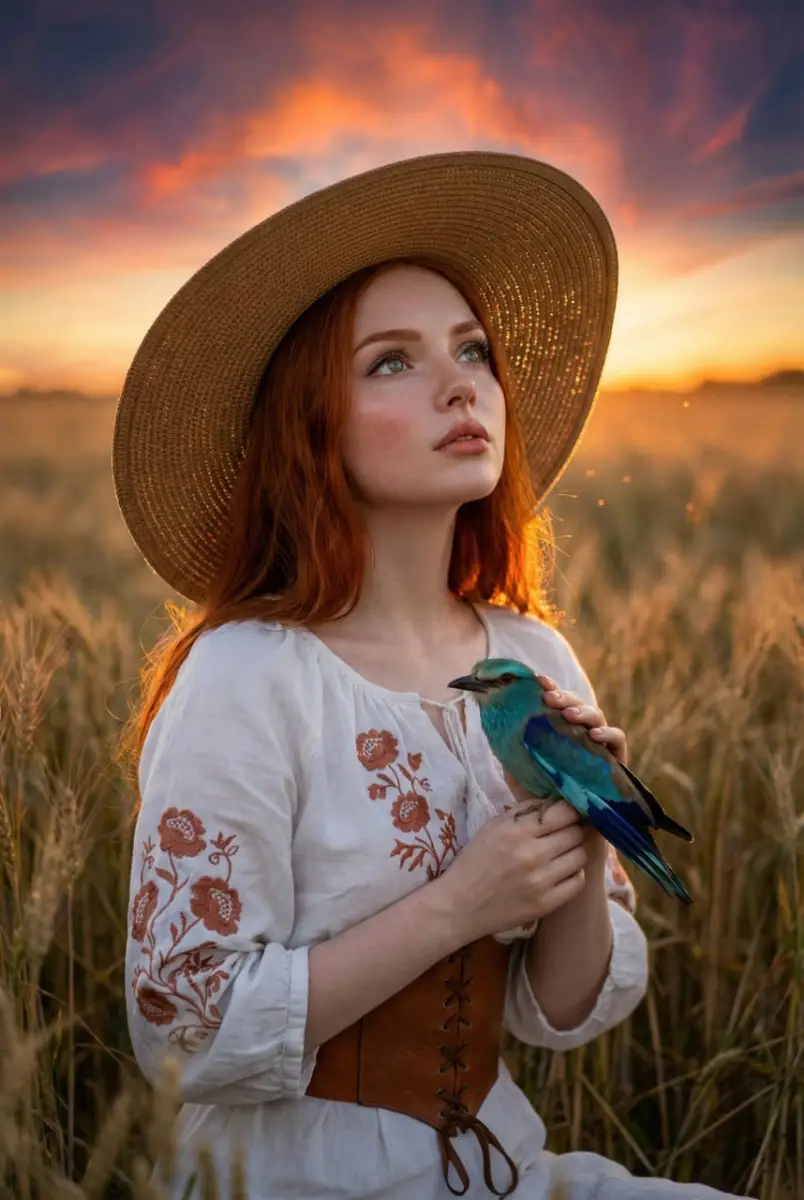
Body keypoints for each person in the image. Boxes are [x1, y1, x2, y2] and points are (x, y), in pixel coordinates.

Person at [116, 152, 749, 1198]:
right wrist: (459, 905)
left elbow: (562, 1011)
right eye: (392, 363)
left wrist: (583, 845)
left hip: (501, 1166)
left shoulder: (530, 656)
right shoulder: (249, 676)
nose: (463, 382)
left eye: (472, 349)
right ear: (310, 426)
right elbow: (183, 1034)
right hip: (293, 1179)